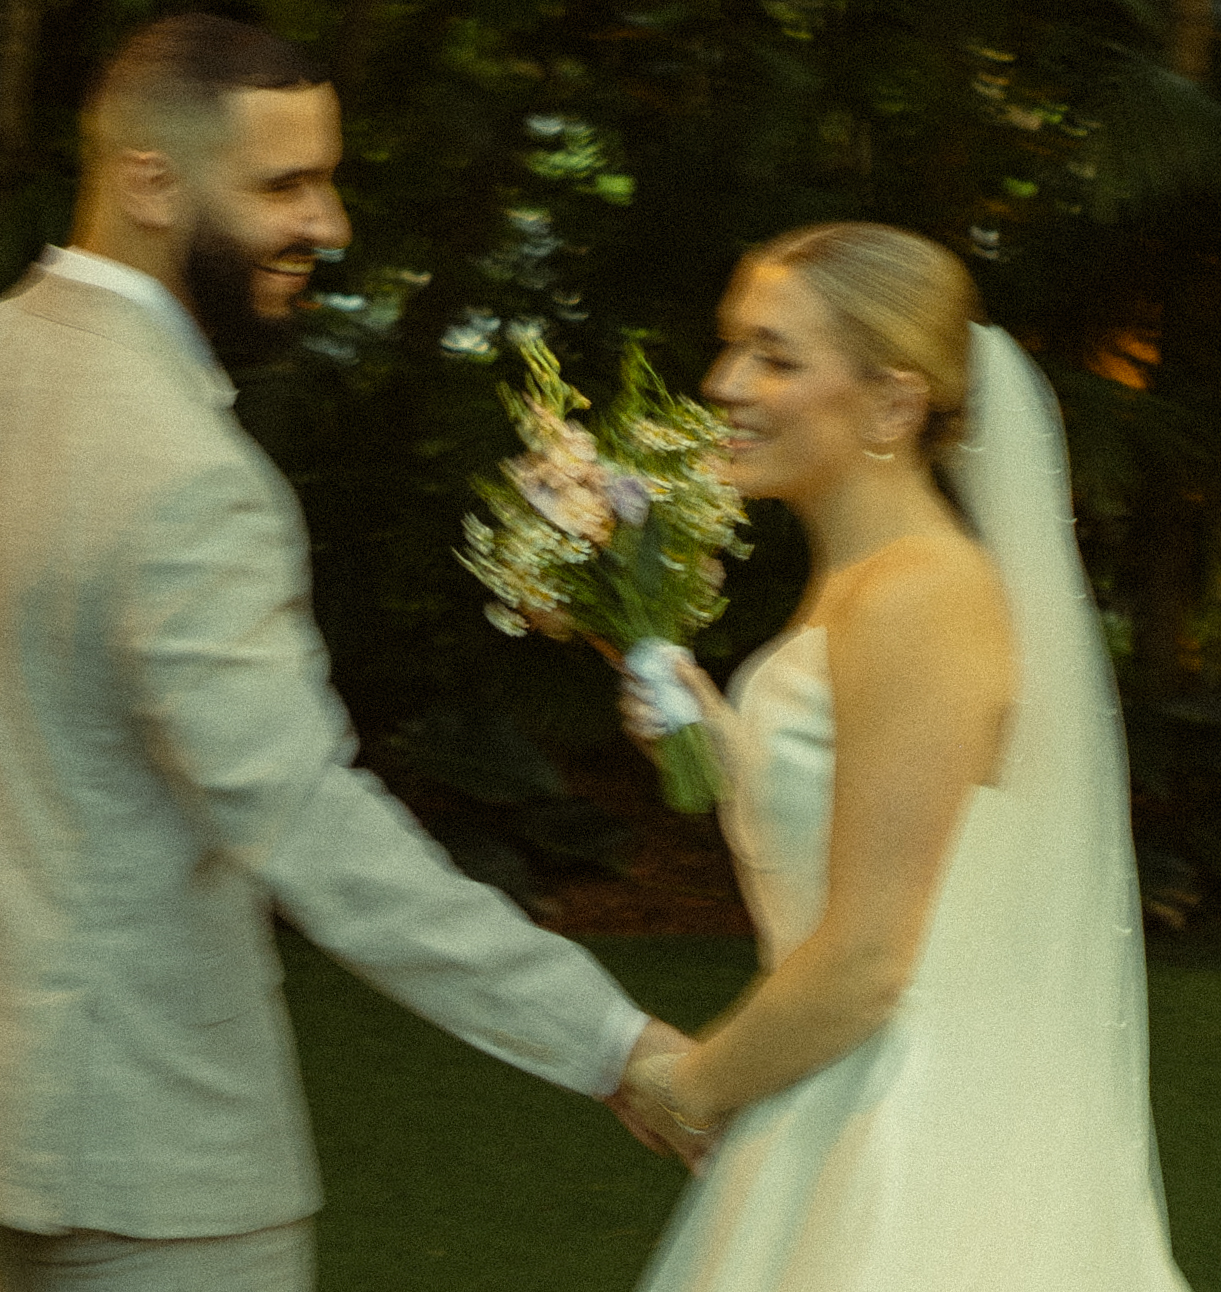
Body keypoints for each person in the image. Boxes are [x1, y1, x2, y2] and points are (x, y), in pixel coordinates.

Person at [0, 14, 703, 1290]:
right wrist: (610, 1041)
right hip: (151, 1155)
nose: (330, 226)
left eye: (327, 178)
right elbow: (305, 822)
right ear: (150, 180)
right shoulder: (185, 474)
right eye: (283, 184)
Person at [621, 223, 1195, 1290]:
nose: (723, 384)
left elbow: (869, 959)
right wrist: (713, 742)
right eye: (731, 345)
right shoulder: (865, 583)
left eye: (774, 357)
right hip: (830, 1091)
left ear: (891, 403)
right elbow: (847, 840)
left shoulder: (916, 593)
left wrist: (688, 1083)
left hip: (901, 1127)